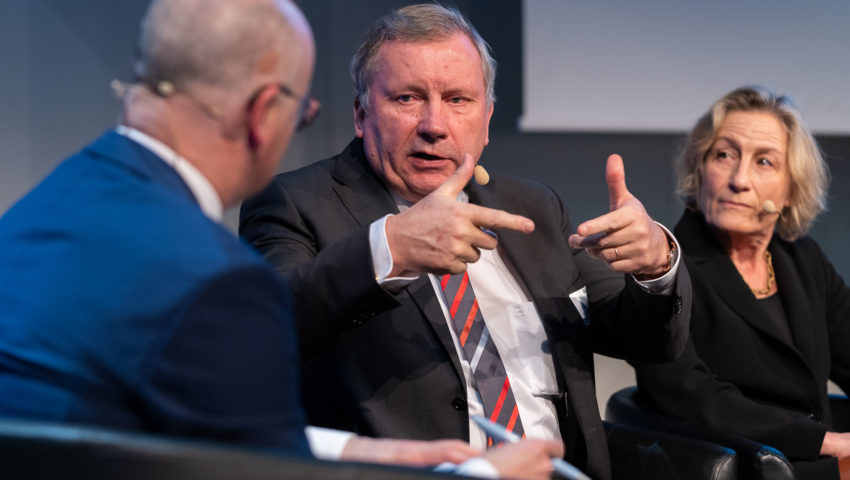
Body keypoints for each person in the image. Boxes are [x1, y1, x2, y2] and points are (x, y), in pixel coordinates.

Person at [0, 1, 563, 478]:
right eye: (302, 113)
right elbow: (258, 470)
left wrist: (383, 453)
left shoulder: (54, 201)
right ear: (263, 113)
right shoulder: (210, 277)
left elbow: (213, 425)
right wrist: (478, 473)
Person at [239, 4, 691, 479]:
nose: (434, 125)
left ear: (487, 119)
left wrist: (655, 266)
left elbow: (648, 343)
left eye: (458, 100)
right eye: (408, 98)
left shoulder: (531, 206)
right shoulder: (297, 202)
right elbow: (265, 330)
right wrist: (389, 248)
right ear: (360, 111)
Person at [632, 85, 850, 480]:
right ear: (699, 171)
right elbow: (691, 395)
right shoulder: (664, 270)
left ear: (790, 190)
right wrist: (826, 442)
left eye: (764, 162)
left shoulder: (804, 260)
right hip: (753, 468)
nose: (739, 180)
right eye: (724, 155)